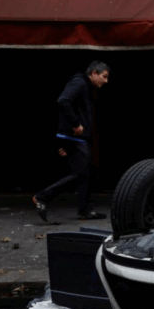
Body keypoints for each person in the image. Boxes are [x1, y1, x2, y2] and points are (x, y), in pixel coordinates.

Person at [32, 61, 111, 223]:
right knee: (81, 173)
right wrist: (75, 124)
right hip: (74, 136)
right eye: (104, 77)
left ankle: (84, 210)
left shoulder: (86, 86)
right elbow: (63, 100)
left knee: (84, 173)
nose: (106, 81)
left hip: (73, 138)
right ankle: (42, 197)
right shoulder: (80, 82)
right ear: (94, 73)